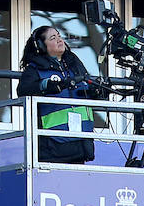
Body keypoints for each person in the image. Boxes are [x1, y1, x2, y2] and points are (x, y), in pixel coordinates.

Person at [16, 25, 105, 164]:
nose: (59, 40)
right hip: (53, 148)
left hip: (80, 145)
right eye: (53, 38)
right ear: (40, 45)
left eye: (59, 36)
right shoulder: (34, 69)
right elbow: (23, 91)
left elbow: (86, 86)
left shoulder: (74, 64)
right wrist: (46, 85)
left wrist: (95, 91)